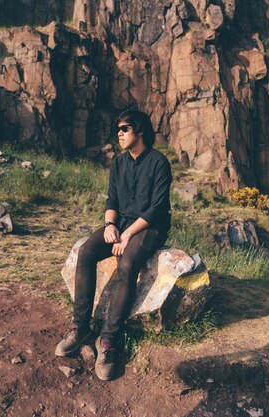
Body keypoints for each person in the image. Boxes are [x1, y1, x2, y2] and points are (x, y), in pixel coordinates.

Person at [55, 109, 172, 381]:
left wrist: (128, 234)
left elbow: (156, 209)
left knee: (128, 264)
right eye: (117, 129)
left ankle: (108, 340)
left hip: (150, 227)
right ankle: (81, 326)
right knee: (86, 252)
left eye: (125, 128)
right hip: (120, 224)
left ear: (140, 130)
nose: (119, 133)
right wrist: (110, 226)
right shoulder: (118, 163)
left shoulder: (159, 162)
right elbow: (112, 201)